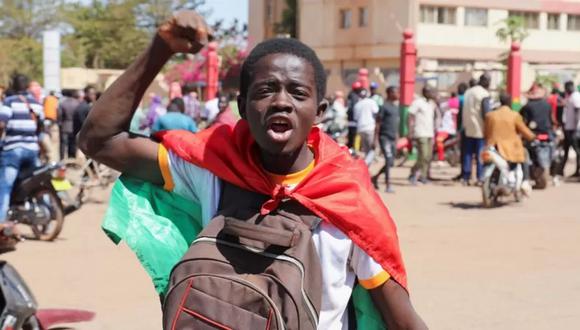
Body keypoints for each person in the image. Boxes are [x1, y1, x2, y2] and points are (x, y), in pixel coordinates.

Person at [78, 11, 426, 330]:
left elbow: (402, 320)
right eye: (265, 90)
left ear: (319, 111)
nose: (281, 101)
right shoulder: (214, 169)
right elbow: (99, 139)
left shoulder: (348, 200)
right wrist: (161, 48)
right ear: (242, 106)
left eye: (298, 92)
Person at [0, 74, 43, 225]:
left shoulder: (9, 101)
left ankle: (1, 222)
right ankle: (47, 210)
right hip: (33, 149)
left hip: (13, 149)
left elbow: (1, 123)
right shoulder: (35, 102)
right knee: (35, 183)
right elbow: (42, 125)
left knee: (5, 186)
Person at [485, 93, 536, 194]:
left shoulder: (490, 115)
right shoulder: (514, 115)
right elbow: (524, 131)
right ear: (510, 103)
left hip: (493, 147)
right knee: (525, 154)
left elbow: (485, 132)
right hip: (510, 148)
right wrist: (532, 137)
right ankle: (525, 181)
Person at [462, 73, 491, 185]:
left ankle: (466, 177)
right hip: (480, 128)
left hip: (468, 127)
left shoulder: (468, 92)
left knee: (468, 154)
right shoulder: (483, 94)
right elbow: (486, 113)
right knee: (480, 154)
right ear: (484, 81)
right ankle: (480, 177)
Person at [372, 86, 399, 193]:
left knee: (391, 162)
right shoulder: (384, 107)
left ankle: (375, 178)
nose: (397, 94)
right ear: (389, 93)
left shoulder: (396, 107)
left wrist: (397, 137)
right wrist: (375, 139)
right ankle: (388, 184)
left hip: (393, 138)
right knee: (388, 159)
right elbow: (378, 123)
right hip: (384, 137)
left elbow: (396, 123)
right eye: (395, 92)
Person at [408, 86, 436, 185]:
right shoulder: (418, 102)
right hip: (420, 132)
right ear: (425, 92)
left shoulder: (432, 104)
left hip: (430, 133)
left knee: (428, 156)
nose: (432, 93)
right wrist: (410, 131)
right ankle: (413, 172)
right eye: (430, 92)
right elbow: (410, 116)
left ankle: (423, 177)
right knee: (423, 155)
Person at [354, 88, 380, 166]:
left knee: (366, 149)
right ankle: (366, 163)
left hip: (360, 128)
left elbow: (356, 117)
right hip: (370, 128)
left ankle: (368, 164)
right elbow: (376, 112)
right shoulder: (371, 102)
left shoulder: (357, 104)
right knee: (373, 148)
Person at [435, 93, 459, 165]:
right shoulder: (450, 110)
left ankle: (441, 159)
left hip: (446, 130)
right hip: (448, 130)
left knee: (439, 141)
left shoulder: (449, 109)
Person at [562, 81, 580, 177]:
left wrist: (575, 127)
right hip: (570, 129)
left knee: (577, 151)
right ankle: (575, 171)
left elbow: (578, 112)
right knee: (570, 150)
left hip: (574, 130)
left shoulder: (576, 96)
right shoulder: (572, 96)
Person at [58, 89, 81, 160]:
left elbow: (60, 115)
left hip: (64, 126)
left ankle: (62, 159)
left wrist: (60, 124)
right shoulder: (77, 103)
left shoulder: (62, 103)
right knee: (73, 144)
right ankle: (71, 159)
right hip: (74, 126)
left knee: (63, 144)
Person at [346, 81, 362, 149]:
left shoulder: (350, 95)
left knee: (351, 134)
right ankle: (352, 148)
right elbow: (354, 108)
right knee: (354, 135)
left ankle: (351, 147)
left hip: (350, 118)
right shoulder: (354, 96)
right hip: (353, 119)